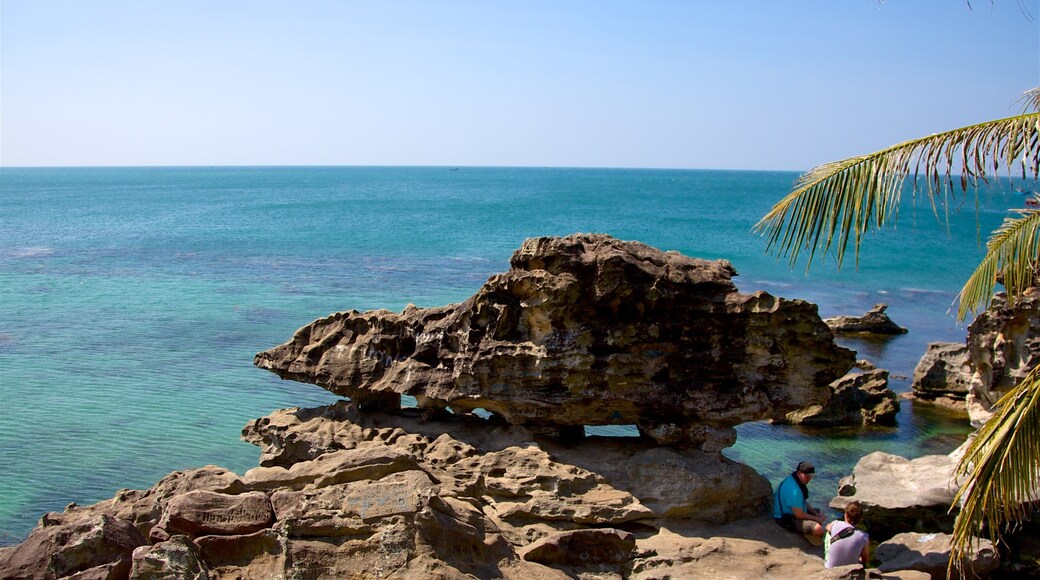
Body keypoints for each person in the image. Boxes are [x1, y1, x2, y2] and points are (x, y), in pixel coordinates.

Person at [773, 460, 825, 538]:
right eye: (807, 476)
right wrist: (817, 519)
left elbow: (803, 502)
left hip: (796, 511)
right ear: (799, 473)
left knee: (821, 513)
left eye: (811, 476)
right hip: (785, 518)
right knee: (818, 529)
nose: (809, 479)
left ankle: (811, 529)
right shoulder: (794, 490)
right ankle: (810, 536)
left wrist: (816, 514)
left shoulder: (795, 479)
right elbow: (799, 515)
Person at [824, 501, 870, 568]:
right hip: (850, 570)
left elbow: (827, 527)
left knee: (828, 534)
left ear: (846, 515)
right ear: (860, 519)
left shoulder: (836, 523)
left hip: (830, 568)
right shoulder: (864, 536)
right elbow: (865, 560)